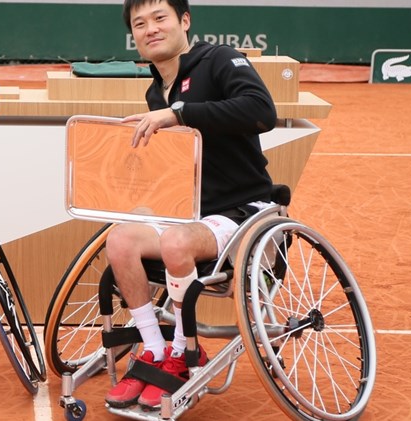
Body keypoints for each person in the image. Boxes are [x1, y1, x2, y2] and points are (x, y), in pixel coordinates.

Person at [104, 0, 277, 411]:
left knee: (176, 243)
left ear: (184, 21)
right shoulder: (155, 90)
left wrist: (177, 114)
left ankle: (184, 352)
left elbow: (261, 111)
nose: (150, 29)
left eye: (160, 18)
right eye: (140, 23)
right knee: (121, 239)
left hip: (242, 208)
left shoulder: (219, 59)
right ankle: (153, 349)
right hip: (191, 210)